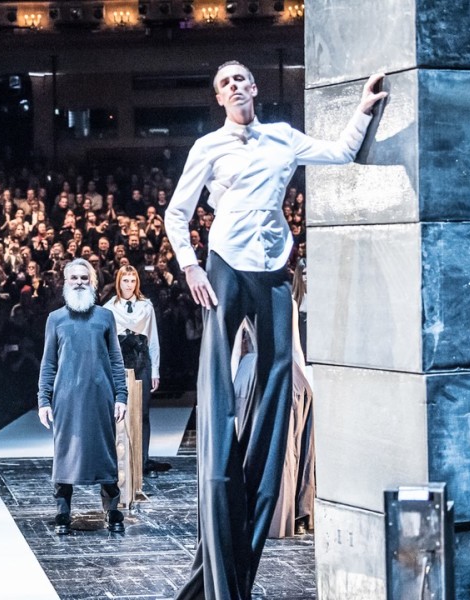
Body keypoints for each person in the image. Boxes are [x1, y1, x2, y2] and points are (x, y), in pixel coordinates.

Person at [164, 61, 387, 600]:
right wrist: (190, 265)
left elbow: (340, 154)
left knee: (278, 378)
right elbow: (177, 212)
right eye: (224, 83)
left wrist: (361, 109)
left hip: (273, 268)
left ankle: (253, 503)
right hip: (224, 266)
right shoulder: (209, 147)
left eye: (241, 79)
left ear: (255, 88)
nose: (235, 86)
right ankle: (219, 477)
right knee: (219, 382)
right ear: (218, 98)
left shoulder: (282, 139)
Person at [38, 258, 128, 535]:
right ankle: (63, 511)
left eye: (84, 278)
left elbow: (115, 358)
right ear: (65, 282)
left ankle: (112, 510)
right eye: (74, 278)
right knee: (65, 453)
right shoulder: (55, 319)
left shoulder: (105, 316)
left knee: (104, 452)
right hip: (65, 399)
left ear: (92, 282)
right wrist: (43, 399)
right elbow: (48, 362)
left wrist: (121, 395)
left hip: (100, 397)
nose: (79, 282)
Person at [102, 265, 165, 476]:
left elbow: (153, 338)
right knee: (118, 410)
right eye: (125, 280)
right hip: (119, 361)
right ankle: (117, 459)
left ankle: (142, 460)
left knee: (143, 412)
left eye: (132, 280)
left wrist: (155, 369)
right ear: (118, 282)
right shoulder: (109, 307)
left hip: (141, 359)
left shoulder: (146, 306)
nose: (129, 285)